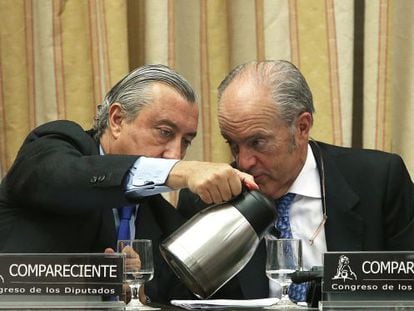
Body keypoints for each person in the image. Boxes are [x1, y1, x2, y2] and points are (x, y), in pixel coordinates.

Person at [0, 64, 257, 303]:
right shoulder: (57, 146)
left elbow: (212, 300)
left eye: (186, 141)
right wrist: (180, 171)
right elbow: (59, 179)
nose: (175, 154)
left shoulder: (164, 220)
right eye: (165, 132)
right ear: (117, 120)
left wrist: (139, 295)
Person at [177, 60, 414, 302]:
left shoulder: (379, 181)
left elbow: (407, 284)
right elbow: (179, 299)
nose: (244, 162)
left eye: (257, 142)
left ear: (302, 127)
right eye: (233, 145)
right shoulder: (207, 199)